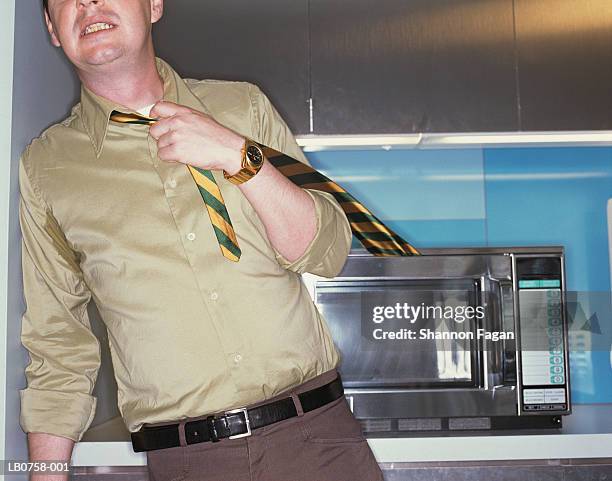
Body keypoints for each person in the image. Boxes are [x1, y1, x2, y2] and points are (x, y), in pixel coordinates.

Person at [18, 0, 385, 480]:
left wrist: (240, 157)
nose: (89, 4)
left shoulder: (244, 108)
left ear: (153, 5)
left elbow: (328, 250)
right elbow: (58, 346)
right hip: (189, 463)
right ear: (51, 26)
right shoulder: (46, 169)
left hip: (319, 444)